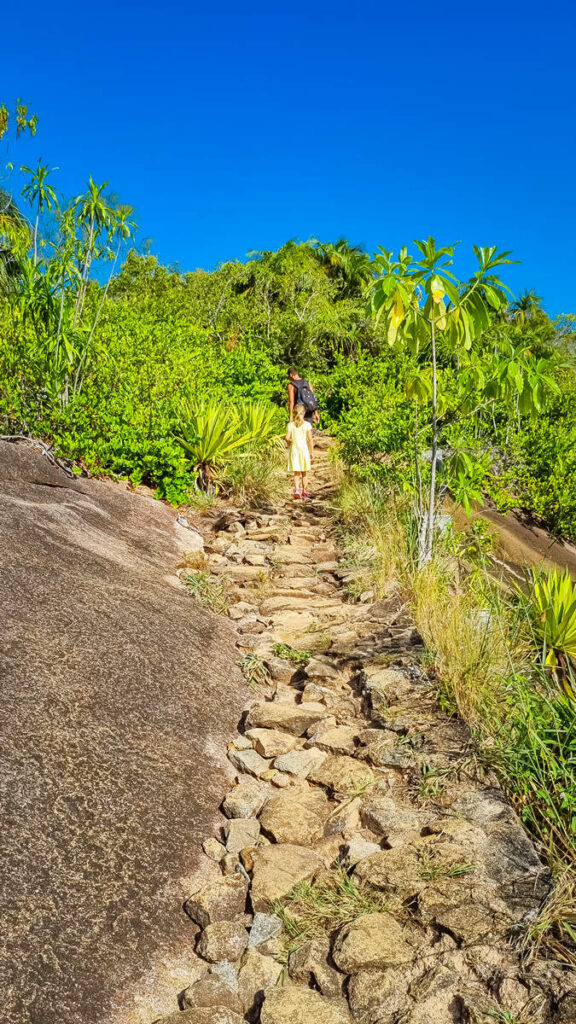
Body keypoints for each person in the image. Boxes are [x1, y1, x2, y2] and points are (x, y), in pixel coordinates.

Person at [285, 403, 314, 499]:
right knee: (304, 472)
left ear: (293, 413)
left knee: (296, 472)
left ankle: (297, 490)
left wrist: (289, 443)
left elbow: (287, 438)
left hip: (294, 450)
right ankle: (305, 491)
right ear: (304, 413)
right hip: (304, 450)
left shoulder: (290, 425)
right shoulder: (307, 425)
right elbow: (310, 440)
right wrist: (311, 453)